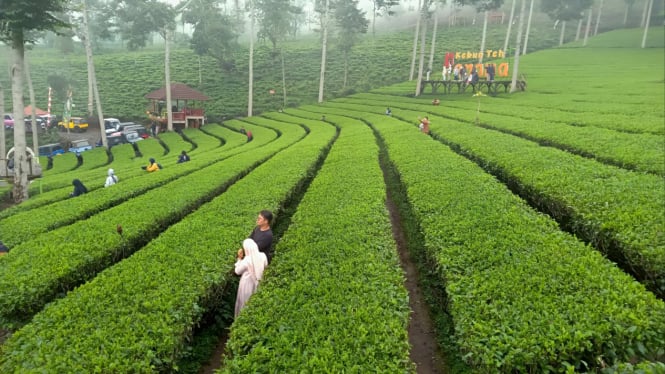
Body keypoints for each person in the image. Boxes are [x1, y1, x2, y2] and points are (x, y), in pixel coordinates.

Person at [234, 238, 268, 317]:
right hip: (259, 282)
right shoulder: (263, 255)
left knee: (245, 302)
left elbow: (237, 271)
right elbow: (266, 267)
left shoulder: (247, 260)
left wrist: (239, 259)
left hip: (247, 284)